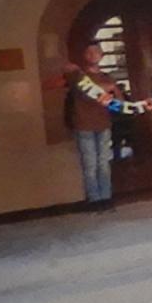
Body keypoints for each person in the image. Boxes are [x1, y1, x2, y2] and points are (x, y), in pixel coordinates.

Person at [63, 65, 129, 209]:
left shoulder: (107, 77)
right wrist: (109, 87)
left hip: (103, 124)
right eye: (90, 54)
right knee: (90, 164)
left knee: (103, 163)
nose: (93, 56)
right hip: (83, 126)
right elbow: (86, 92)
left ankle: (105, 197)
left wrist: (114, 90)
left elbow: (120, 101)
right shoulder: (78, 78)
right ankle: (95, 199)